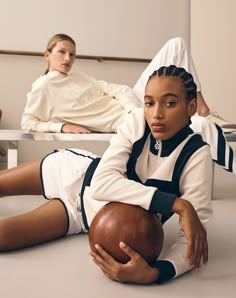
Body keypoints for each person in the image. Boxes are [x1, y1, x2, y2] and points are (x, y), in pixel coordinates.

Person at [0, 65, 212, 284]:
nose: (156, 113)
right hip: (75, 173)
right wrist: (178, 204)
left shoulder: (196, 154)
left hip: (80, 217)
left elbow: (193, 241)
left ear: (191, 107)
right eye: (149, 102)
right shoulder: (138, 121)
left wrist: (155, 273)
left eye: (169, 103)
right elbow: (102, 184)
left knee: (3, 237)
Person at [21, 34, 236, 174]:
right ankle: (205, 123)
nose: (68, 58)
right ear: (47, 54)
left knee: (176, 45)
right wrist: (61, 126)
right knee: (199, 127)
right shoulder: (43, 86)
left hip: (135, 103)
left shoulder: (80, 77)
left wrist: (138, 107)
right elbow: (28, 122)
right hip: (127, 119)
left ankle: (204, 110)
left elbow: (119, 89)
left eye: (73, 54)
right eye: (62, 52)